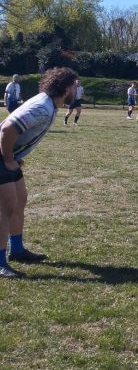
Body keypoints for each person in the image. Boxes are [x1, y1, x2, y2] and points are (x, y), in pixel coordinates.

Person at [0, 67, 78, 278]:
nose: (77, 90)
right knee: (6, 207)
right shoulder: (43, 107)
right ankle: (0, 262)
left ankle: (17, 250)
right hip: (2, 157)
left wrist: (14, 155)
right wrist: (8, 158)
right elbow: (7, 129)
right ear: (65, 88)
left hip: (8, 156)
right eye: (75, 86)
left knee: (19, 200)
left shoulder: (49, 103)